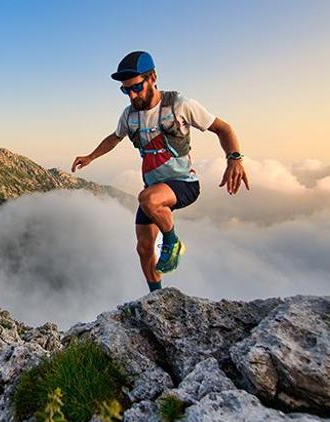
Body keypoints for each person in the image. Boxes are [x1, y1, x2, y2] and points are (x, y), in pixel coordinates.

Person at [71, 51, 249, 293]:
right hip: (155, 190)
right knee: (144, 248)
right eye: (126, 90)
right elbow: (115, 137)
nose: (132, 95)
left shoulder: (180, 104)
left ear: (153, 77)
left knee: (147, 199)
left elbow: (223, 128)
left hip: (183, 184)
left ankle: (172, 241)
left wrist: (234, 159)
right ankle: (155, 295)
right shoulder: (129, 115)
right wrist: (91, 157)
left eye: (137, 87)